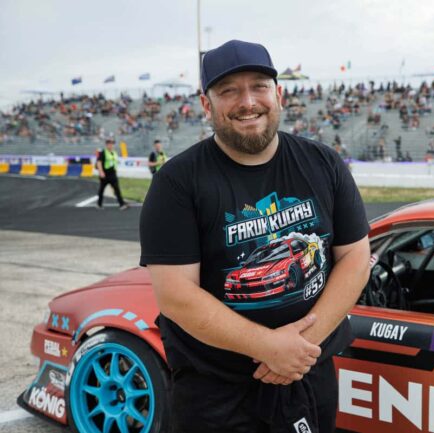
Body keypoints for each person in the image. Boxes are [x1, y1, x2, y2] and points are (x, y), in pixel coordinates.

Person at [139, 40, 370, 433]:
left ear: (278, 94)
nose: (248, 101)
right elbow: (177, 296)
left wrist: (295, 351)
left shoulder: (323, 163)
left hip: (309, 375)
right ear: (206, 104)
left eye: (259, 85)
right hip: (216, 393)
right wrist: (267, 347)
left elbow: (355, 258)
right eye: (229, 90)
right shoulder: (176, 183)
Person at [96, 138, 128, 210]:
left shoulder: (114, 152)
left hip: (112, 173)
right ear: (107, 145)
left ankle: (121, 204)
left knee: (117, 189)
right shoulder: (103, 152)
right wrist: (101, 172)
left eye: (112, 144)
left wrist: (115, 171)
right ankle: (99, 204)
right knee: (101, 189)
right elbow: (99, 162)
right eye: (109, 144)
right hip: (105, 174)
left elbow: (114, 163)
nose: (111, 145)